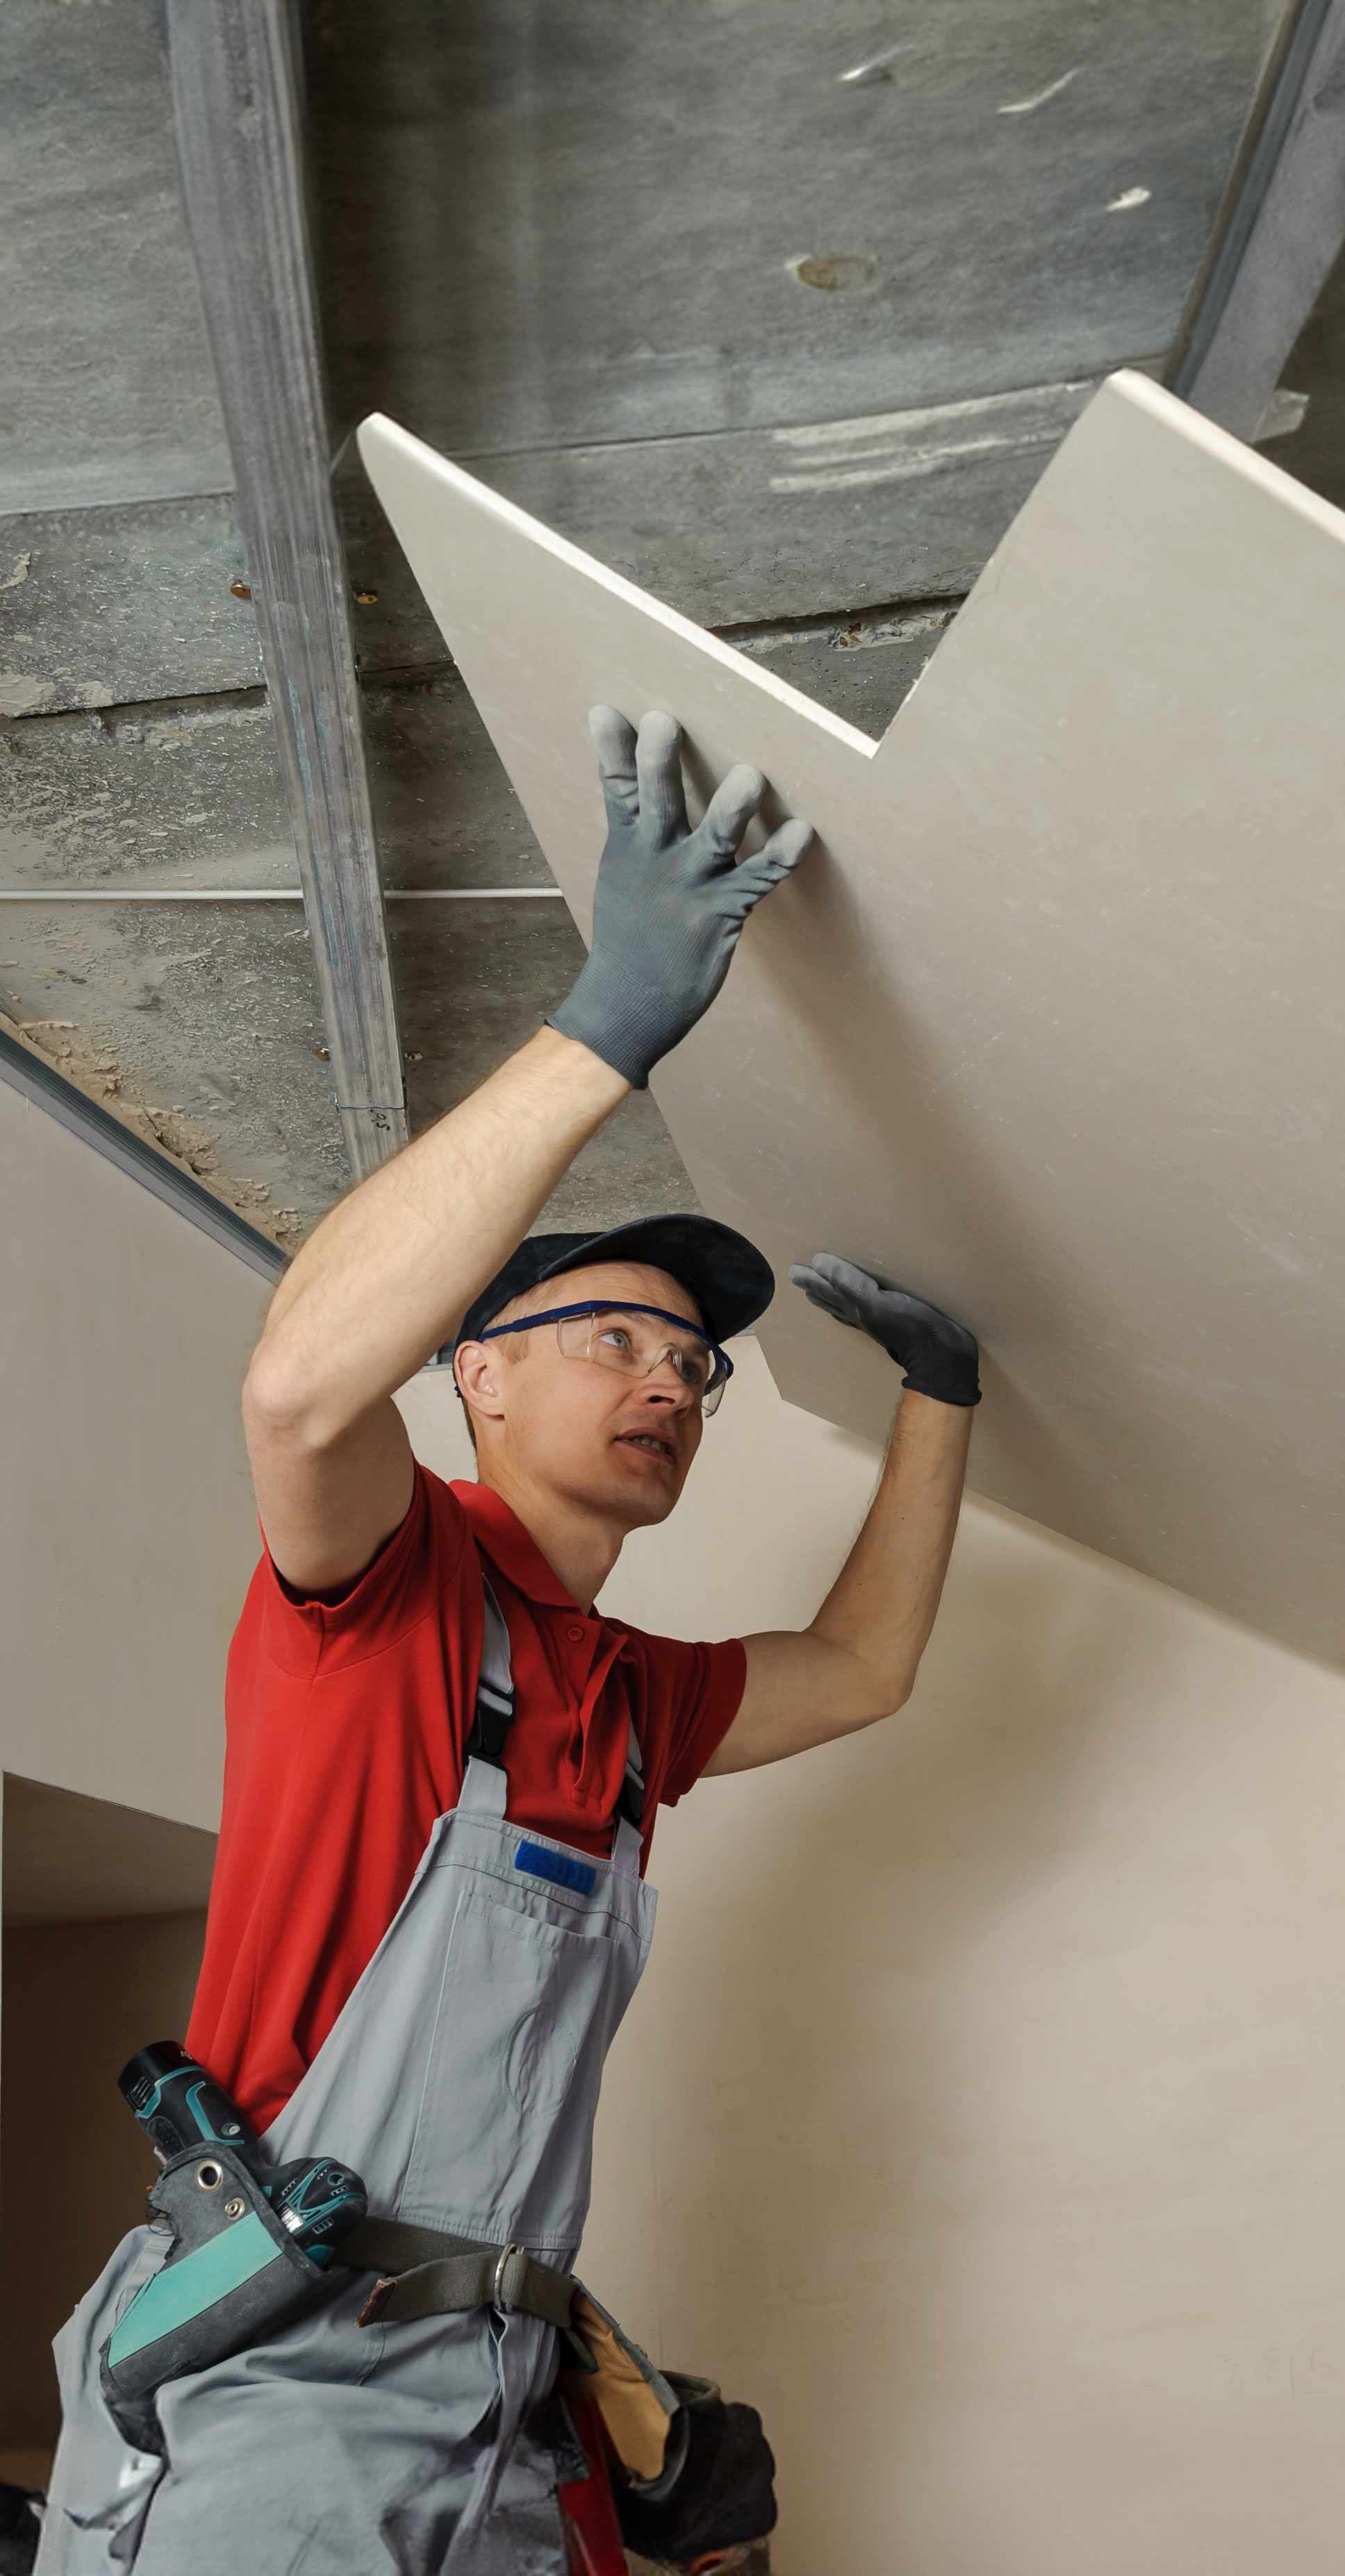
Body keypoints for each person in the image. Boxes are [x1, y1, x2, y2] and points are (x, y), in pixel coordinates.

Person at [42, 710, 984, 2575]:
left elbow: (867, 1664)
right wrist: (606, 1022)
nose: (674, 1379)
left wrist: (943, 1397)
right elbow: (304, 1391)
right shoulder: (394, 1592)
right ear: (475, 1373)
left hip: (497, 2404)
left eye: (698, 1364)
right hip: (272, 2399)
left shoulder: (637, 1704)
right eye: (617, 1338)